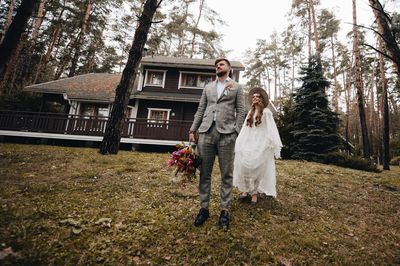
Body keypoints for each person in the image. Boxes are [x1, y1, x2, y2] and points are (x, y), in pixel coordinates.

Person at [189, 58, 246, 229]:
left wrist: (236, 131)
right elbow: (201, 109)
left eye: (221, 64)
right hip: (206, 133)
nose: (217, 67)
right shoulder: (208, 87)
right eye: (216, 65)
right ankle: (204, 209)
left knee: (226, 174)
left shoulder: (237, 87)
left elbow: (241, 110)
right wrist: (193, 130)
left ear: (229, 68)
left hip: (227, 135)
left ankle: (224, 211)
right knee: (204, 173)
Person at [233, 87, 282, 204]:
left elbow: (270, 129)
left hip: (260, 143)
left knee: (256, 168)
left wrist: (269, 143)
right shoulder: (250, 113)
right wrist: (240, 142)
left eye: (257, 97)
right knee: (244, 166)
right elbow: (245, 129)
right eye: (253, 97)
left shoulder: (266, 113)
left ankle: (254, 193)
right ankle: (245, 191)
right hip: (249, 142)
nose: (255, 98)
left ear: (262, 99)